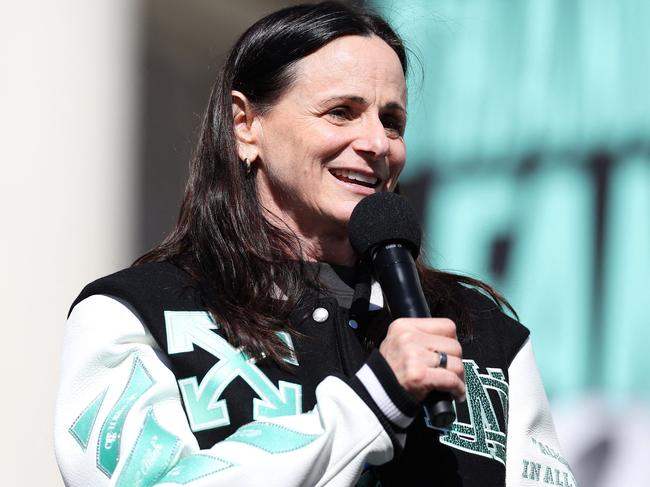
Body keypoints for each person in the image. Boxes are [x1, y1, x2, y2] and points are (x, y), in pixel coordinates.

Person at [54, 2, 576, 486]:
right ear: (246, 126)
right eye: (341, 112)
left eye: (391, 121)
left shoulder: (482, 333)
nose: (376, 144)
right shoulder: (135, 315)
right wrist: (374, 401)